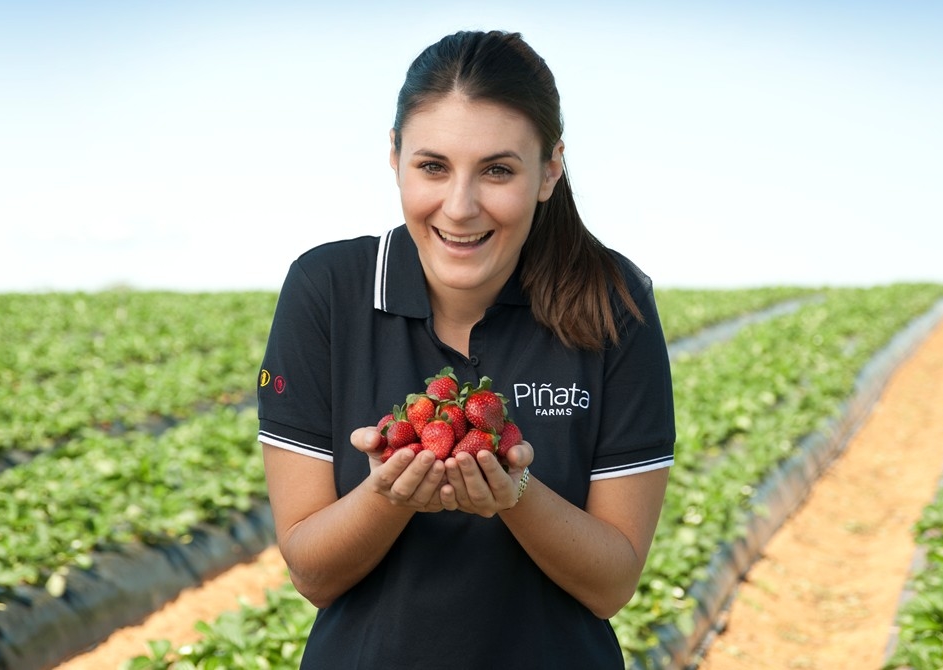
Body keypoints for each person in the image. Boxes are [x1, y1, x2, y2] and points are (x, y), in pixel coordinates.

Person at [256, 29, 675, 669]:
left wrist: (517, 494)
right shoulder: (328, 292)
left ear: (550, 169)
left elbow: (612, 584)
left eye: (498, 170)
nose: (459, 207)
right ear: (394, 156)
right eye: (432, 166)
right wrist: (387, 495)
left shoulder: (613, 305)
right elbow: (313, 573)